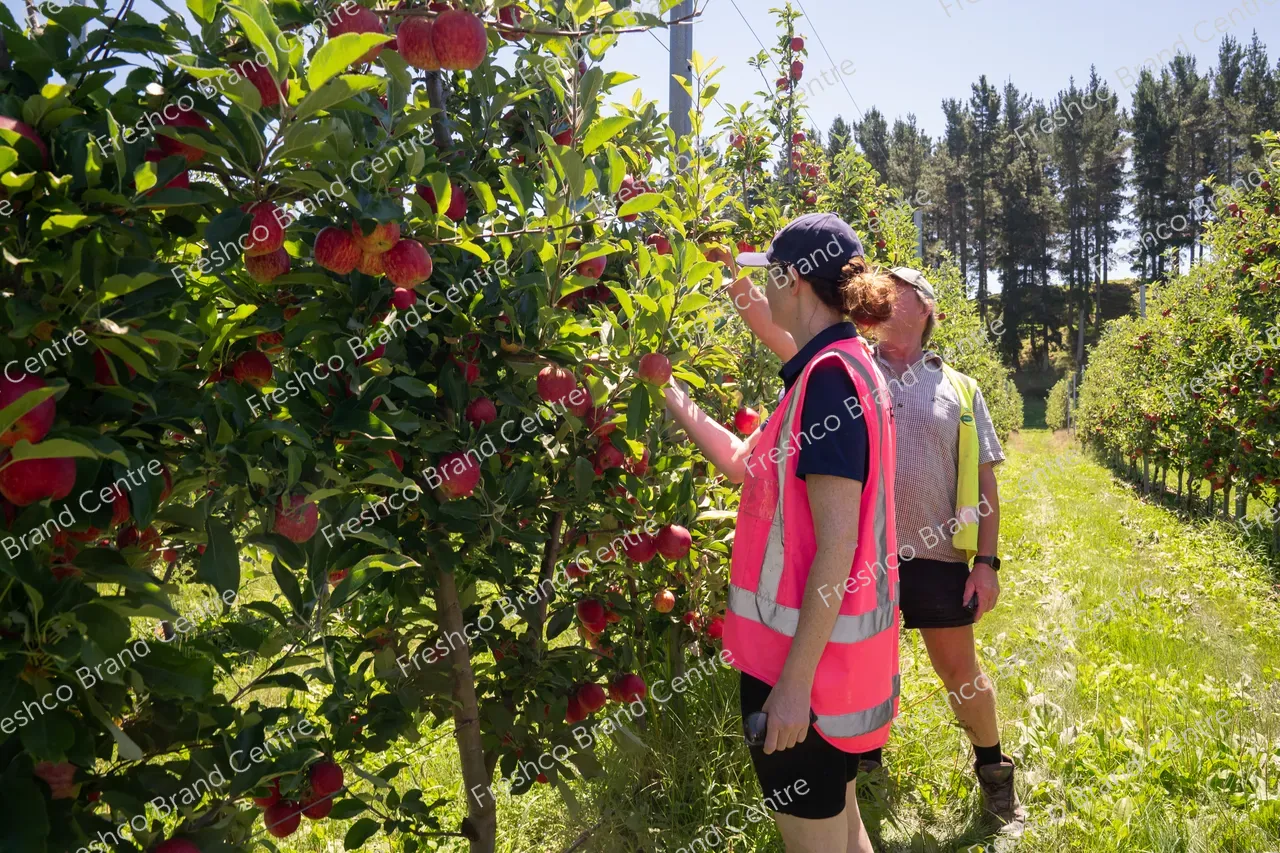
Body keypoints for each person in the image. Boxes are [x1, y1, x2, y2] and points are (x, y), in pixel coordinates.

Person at [725, 259, 1025, 836]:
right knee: (856, 662)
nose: (886, 288)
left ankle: (993, 767)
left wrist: (985, 562)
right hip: (867, 563)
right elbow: (773, 327)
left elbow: (985, 480)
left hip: (937, 558)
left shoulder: (960, 386)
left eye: (903, 285)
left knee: (960, 671)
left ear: (926, 308)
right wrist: (734, 272)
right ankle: (856, 768)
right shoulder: (855, 367)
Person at [667, 213, 900, 853]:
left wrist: (793, 688)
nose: (763, 293)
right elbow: (746, 462)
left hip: (804, 675)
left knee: (818, 842)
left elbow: (838, 545)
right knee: (844, 830)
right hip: (827, 668)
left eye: (768, 279)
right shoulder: (835, 370)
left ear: (792, 280)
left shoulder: (828, 383)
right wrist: (669, 392)